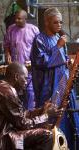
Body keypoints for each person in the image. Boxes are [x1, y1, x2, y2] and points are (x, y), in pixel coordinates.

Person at [0, 62, 63, 150]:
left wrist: (42, 110)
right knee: (46, 136)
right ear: (16, 77)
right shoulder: (8, 92)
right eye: (25, 78)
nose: (26, 83)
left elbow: (20, 115)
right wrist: (46, 116)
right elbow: (23, 124)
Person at [30, 7, 79, 150]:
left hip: (64, 83)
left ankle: (68, 144)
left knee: (68, 115)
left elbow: (60, 60)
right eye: (55, 22)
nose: (59, 25)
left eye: (61, 23)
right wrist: (58, 47)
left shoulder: (59, 38)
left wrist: (67, 63)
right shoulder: (39, 40)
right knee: (52, 118)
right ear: (47, 22)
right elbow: (41, 62)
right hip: (48, 87)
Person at [4, 10, 39, 110]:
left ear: (25, 19)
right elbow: (6, 45)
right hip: (15, 67)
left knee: (29, 92)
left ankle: (29, 114)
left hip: (29, 67)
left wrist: (34, 61)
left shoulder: (34, 30)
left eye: (19, 18)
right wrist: (7, 54)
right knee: (13, 91)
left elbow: (39, 48)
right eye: (15, 18)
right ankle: (16, 113)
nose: (16, 20)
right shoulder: (10, 29)